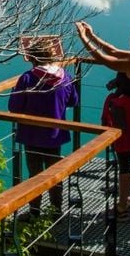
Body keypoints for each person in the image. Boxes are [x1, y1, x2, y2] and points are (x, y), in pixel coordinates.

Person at [76, 20, 130, 219]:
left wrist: (82, 38)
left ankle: (122, 207)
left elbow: (104, 58)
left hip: (126, 114)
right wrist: (91, 34)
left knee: (124, 159)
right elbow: (113, 50)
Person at [8, 37, 80, 219]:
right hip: (55, 135)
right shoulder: (66, 77)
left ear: (32, 58)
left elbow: (14, 107)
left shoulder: (27, 78)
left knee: (34, 175)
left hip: (31, 134)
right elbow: (74, 101)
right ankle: (56, 211)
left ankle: (34, 212)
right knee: (54, 174)